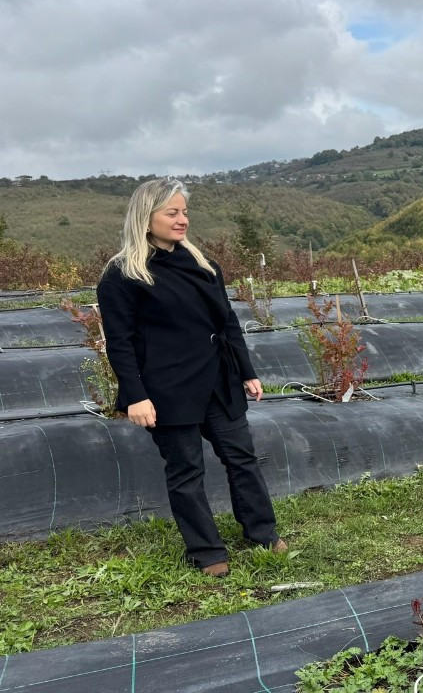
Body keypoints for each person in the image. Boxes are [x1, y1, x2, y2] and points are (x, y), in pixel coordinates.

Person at [97, 178, 286, 578]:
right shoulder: (122, 275)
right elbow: (120, 342)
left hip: (218, 381)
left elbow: (228, 322)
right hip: (166, 390)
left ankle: (263, 533)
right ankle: (207, 553)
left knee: (242, 458)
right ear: (146, 219)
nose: (183, 220)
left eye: (184, 212)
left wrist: (246, 371)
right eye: (172, 213)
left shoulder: (203, 265)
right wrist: (136, 396)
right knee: (186, 471)